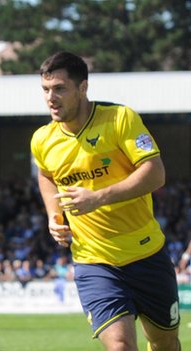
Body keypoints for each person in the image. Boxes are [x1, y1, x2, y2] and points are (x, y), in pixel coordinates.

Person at [30, 51, 180, 350]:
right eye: (46, 90)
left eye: (60, 88)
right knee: (120, 345)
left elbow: (155, 173)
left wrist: (98, 198)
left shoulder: (120, 119)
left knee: (165, 343)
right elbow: (46, 176)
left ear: (83, 88)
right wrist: (53, 215)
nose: (51, 97)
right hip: (93, 262)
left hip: (146, 253)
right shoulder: (42, 140)